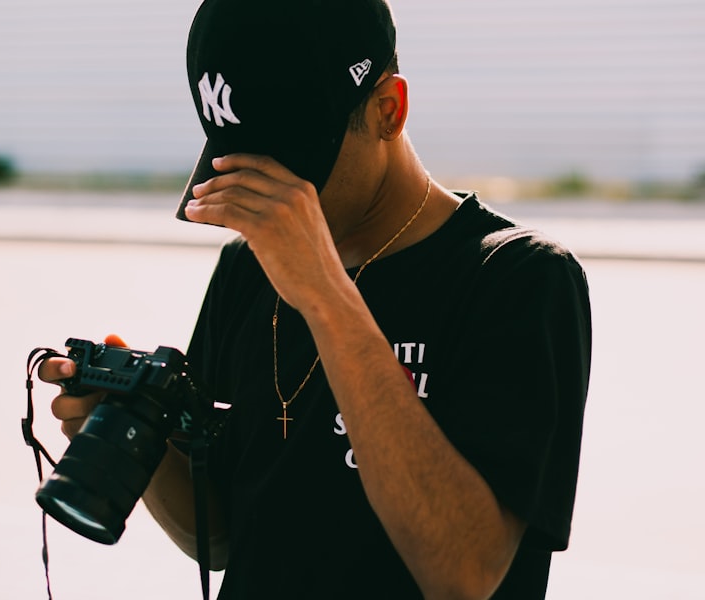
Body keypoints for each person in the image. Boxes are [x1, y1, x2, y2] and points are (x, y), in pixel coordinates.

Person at [40, 0, 592, 598]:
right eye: (242, 164)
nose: (267, 200)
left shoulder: (519, 279)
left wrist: (327, 295)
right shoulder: (247, 267)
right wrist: (130, 438)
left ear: (389, 110)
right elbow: (224, 536)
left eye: (293, 164)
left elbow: (464, 572)